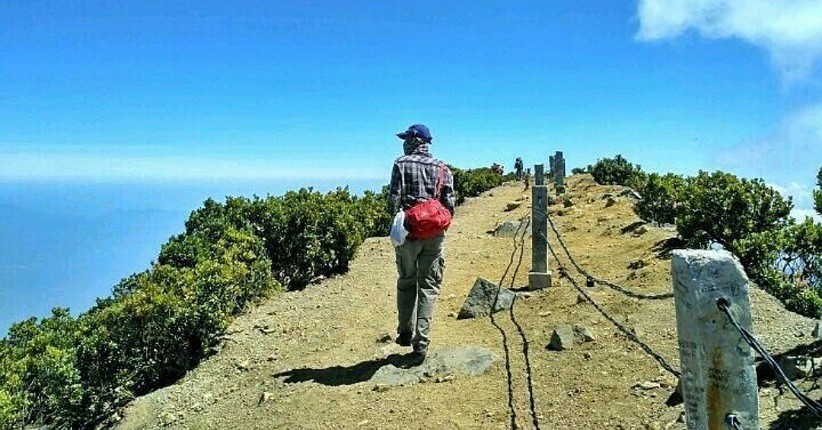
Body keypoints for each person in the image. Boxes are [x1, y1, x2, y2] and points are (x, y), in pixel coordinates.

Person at [388, 124, 455, 364]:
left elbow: (393, 200)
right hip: (434, 236)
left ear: (414, 140)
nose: (404, 142)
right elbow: (450, 205)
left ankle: (405, 332)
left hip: (408, 233)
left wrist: (401, 223)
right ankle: (421, 342)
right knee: (429, 286)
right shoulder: (442, 167)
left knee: (407, 281)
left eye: (406, 138)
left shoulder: (400, 163)